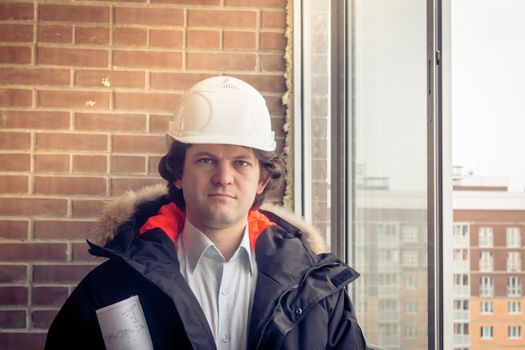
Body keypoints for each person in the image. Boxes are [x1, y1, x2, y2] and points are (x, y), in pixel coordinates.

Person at [45, 76, 367, 349]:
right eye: (206, 159)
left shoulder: (318, 295)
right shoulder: (110, 288)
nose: (223, 177)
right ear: (178, 173)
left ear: (262, 179)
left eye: (241, 162)